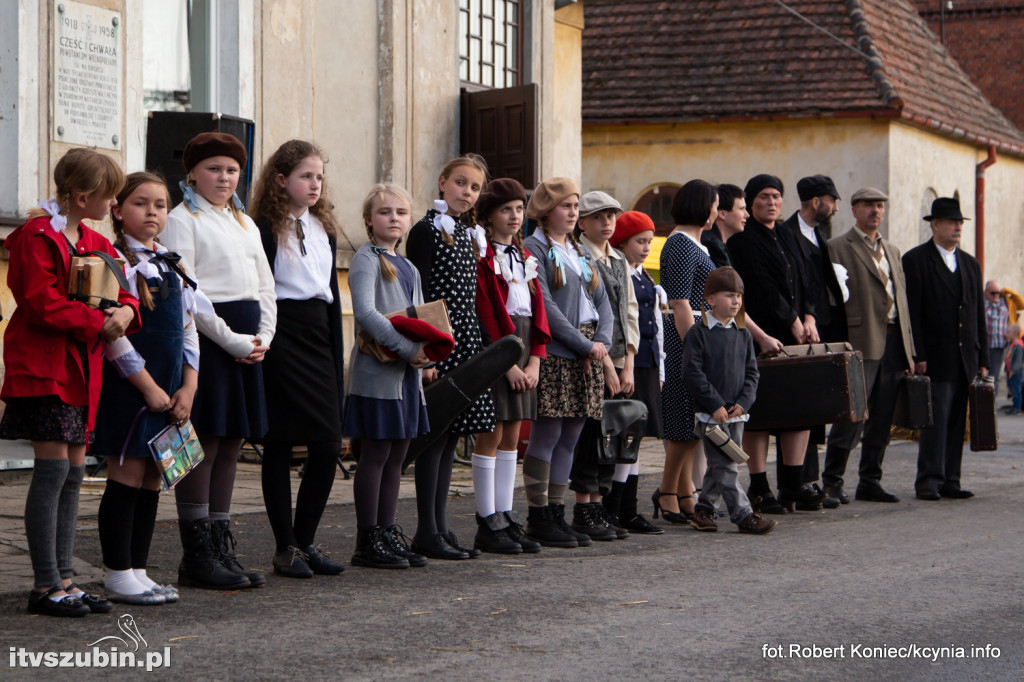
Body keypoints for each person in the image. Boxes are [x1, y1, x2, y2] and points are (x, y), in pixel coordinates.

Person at [1, 148, 139, 616]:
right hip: (45, 367)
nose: (113, 203)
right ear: (82, 197)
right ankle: (45, 586)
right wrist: (99, 322)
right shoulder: (36, 236)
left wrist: (126, 310)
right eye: (108, 195)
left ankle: (65, 578)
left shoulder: (97, 242)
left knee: (75, 473)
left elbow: (123, 292)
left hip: (83, 368)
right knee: (53, 470)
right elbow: (40, 301)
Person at [161, 132, 276, 589]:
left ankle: (221, 543)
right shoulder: (180, 220)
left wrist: (264, 335)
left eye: (231, 170)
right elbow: (188, 292)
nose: (224, 177)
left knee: (231, 441)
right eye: (213, 168)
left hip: (249, 340)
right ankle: (196, 553)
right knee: (202, 442)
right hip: (210, 339)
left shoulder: (244, 221)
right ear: (192, 173)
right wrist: (231, 341)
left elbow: (265, 286)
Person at [93, 172, 203, 604]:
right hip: (132, 387)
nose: (152, 211)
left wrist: (188, 386)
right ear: (118, 210)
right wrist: (148, 386)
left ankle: (139, 568)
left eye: (160, 203)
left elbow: (189, 329)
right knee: (128, 472)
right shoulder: (112, 262)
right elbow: (113, 336)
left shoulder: (173, 263)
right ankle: (117, 571)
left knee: (156, 474)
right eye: (141, 203)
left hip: (172, 389)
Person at [249, 140, 346, 578]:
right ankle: (285, 546)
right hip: (282, 333)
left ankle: (305, 540)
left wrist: (334, 346)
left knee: (327, 444)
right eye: (306, 176)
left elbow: (329, 294)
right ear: (281, 179)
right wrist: (263, 340)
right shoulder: (264, 226)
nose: (314, 184)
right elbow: (261, 290)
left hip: (318, 333)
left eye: (319, 177)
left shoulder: (323, 226)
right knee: (282, 442)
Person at [405, 154, 494, 560]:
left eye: (474, 188)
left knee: (452, 435)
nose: (467, 192)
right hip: (441, 343)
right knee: (434, 437)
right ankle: (426, 528)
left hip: (467, 343)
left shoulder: (467, 233)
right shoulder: (426, 230)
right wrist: (429, 351)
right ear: (442, 183)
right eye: (460, 183)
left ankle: (440, 527)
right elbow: (420, 294)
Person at [345, 184, 432, 569]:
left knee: (398, 456)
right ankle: (367, 540)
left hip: (406, 378)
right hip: (378, 374)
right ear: (368, 220)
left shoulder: (409, 265)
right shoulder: (366, 258)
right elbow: (365, 312)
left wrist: (428, 357)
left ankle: (387, 530)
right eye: (384, 212)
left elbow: (419, 318)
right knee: (376, 454)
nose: (393, 218)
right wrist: (408, 349)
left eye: (400, 212)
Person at [522, 178, 613, 548]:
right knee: (547, 434)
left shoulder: (578, 249)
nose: (573, 212)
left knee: (571, 436)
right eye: (566, 206)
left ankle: (558, 513)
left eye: (576, 205)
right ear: (546, 212)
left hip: (588, 352)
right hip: (560, 351)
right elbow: (546, 306)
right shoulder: (535, 248)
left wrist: (603, 341)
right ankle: (538, 514)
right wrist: (583, 344)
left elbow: (603, 299)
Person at [727, 174, 824, 513]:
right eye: (764, 197)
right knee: (762, 414)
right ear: (751, 202)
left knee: (798, 410)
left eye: (776, 197)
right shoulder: (743, 240)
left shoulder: (787, 235)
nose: (771, 202)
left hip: (795, 336)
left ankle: (793, 485)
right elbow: (762, 288)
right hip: (762, 337)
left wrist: (809, 317)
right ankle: (760, 487)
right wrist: (791, 321)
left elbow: (807, 280)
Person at [823, 188, 915, 504]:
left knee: (882, 415)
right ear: (854, 210)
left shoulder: (892, 250)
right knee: (852, 414)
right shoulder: (837, 247)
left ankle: (870, 480)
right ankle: (832, 481)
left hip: (893, 340)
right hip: (860, 341)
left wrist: (910, 349)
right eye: (868, 206)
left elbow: (902, 301)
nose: (875, 210)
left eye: (879, 206)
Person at [472, 178, 549, 554]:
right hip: (498, 351)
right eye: (506, 209)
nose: (515, 216)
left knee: (512, 436)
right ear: (488, 215)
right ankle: (487, 519)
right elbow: (486, 311)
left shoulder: (523, 257)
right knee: (491, 432)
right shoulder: (485, 258)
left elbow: (538, 312)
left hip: (523, 350)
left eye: (519, 209)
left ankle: (504, 514)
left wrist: (534, 359)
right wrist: (505, 362)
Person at [903, 197, 987, 500]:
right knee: (934, 421)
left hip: (965, 357)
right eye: (952, 222)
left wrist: (984, 358)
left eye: (960, 222)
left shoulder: (969, 263)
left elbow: (978, 315)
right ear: (935, 224)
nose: (957, 227)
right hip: (934, 357)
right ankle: (928, 480)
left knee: (956, 422)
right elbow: (913, 313)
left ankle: (951, 479)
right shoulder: (916, 260)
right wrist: (918, 355)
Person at [682, 267, 777, 534]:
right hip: (710, 415)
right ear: (710, 299)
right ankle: (743, 514)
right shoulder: (698, 333)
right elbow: (691, 373)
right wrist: (715, 405)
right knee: (725, 465)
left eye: (739, 296)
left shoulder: (743, 333)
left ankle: (703, 510)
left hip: (737, 414)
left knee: (722, 463)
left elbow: (752, 372)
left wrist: (744, 403)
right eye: (728, 295)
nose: (736, 301)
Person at [569, 191, 638, 541]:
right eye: (598, 217)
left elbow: (629, 310)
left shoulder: (619, 260)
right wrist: (609, 365)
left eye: (611, 216)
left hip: (618, 358)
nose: (607, 223)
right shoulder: (579, 256)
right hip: (593, 356)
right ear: (581, 222)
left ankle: (600, 505)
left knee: (613, 432)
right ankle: (584, 507)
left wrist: (628, 362)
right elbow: (592, 313)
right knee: (590, 435)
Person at [652, 179, 719, 525]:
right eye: (714, 205)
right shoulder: (679, 244)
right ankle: (668, 490)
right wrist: (695, 346)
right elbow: (678, 300)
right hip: (683, 335)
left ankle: (683, 492)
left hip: (695, 329)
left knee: (690, 421)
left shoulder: (697, 244)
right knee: (682, 418)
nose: (716, 212)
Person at [778, 175, 847, 507]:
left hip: (821, 326)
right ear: (816, 202)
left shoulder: (819, 235)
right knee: (798, 406)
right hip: (797, 330)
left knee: (816, 407)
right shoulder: (786, 233)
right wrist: (802, 317)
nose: (834, 208)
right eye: (832, 201)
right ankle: (797, 481)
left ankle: (810, 480)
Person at [605, 211, 665, 535]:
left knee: (638, 438)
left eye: (648, 242)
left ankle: (629, 508)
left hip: (647, 365)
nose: (645, 248)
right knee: (622, 435)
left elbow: (657, 330)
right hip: (627, 363)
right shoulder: (619, 273)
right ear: (623, 242)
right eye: (640, 241)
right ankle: (614, 506)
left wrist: (662, 369)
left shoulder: (647, 279)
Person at [701, 184, 747, 268]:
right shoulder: (712, 246)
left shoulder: (715, 242)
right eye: (741, 209)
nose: (747, 215)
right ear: (722, 214)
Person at [984, 280, 1010, 393]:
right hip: (984, 346)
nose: (996, 296)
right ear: (986, 292)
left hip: (999, 347)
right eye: (993, 293)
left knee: (995, 377)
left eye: (998, 293)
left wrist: (1006, 292)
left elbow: (1020, 303)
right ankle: (982, 403)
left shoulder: (1005, 304)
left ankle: (992, 404)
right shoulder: (982, 305)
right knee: (982, 376)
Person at [1005, 324, 1024, 415]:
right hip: (1010, 371)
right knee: (1012, 389)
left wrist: (1013, 370)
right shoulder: (1011, 344)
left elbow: (1018, 361)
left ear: (1015, 334)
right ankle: (1014, 406)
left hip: (1016, 372)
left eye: (1009, 332)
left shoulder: (1018, 346)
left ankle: (1018, 407)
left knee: (1017, 390)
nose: (1007, 334)